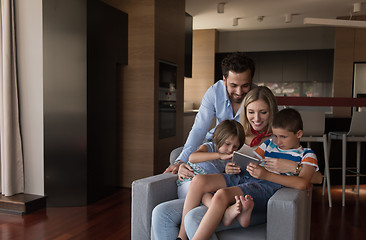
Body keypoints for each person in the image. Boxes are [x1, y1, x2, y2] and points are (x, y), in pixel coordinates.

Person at [152, 86, 292, 240]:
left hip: (245, 194)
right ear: (245, 112)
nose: (256, 118)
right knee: (161, 213)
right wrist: (180, 163)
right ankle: (182, 236)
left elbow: (306, 170)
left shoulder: (280, 139)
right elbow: (203, 138)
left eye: (263, 112)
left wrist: (294, 168)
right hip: (223, 186)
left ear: (272, 111)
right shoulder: (236, 134)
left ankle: (226, 212)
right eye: (251, 112)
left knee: (194, 218)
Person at [180, 108, 318, 240]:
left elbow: (302, 183)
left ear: (299, 134)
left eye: (283, 136)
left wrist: (266, 175)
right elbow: (251, 160)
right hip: (247, 176)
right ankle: (181, 237)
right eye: (275, 135)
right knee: (198, 180)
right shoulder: (269, 144)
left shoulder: (307, 154)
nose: (278, 141)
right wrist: (232, 167)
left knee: (221, 194)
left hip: (266, 185)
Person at [164, 52, 255, 179]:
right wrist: (180, 161)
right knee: (176, 156)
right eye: (233, 85)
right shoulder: (214, 92)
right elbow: (199, 129)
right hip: (217, 142)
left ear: (251, 81)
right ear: (224, 79)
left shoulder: (256, 97)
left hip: (239, 148)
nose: (239, 92)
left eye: (245, 86)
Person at [177, 120, 245, 199]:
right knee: (204, 194)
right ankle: (226, 211)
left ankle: (218, 208)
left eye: (235, 147)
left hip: (206, 187)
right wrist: (219, 155)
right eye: (227, 144)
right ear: (216, 138)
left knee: (213, 195)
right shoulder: (208, 147)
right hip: (188, 184)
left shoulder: (230, 157)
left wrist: (227, 171)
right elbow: (192, 158)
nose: (230, 149)